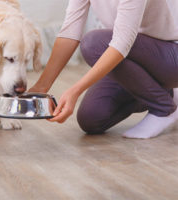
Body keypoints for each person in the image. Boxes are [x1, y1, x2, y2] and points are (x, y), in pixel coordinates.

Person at [29, 0, 178, 139]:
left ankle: (163, 107)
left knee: (93, 44)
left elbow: (122, 43)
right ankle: (164, 93)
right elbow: (70, 32)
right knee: (91, 118)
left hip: (171, 55)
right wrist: (41, 86)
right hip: (135, 57)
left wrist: (75, 90)